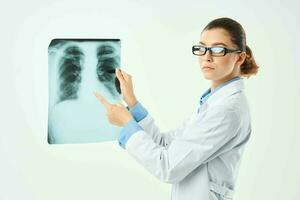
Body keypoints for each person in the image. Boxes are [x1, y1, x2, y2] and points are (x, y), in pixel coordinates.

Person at [94, 17, 259, 200]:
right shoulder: (212, 103)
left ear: (240, 57)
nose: (207, 56)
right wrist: (132, 103)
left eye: (218, 49)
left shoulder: (227, 111)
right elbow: (166, 145)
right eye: (202, 48)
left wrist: (126, 122)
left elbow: (168, 168)